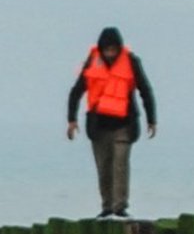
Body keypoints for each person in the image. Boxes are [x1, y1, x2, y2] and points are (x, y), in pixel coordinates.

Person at [66, 26, 157, 218]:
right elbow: (76, 91)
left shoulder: (131, 62)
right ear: (101, 49)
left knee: (120, 165)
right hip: (98, 127)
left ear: (119, 48)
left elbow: (145, 90)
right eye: (107, 50)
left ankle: (120, 207)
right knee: (104, 168)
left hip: (124, 126)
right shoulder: (92, 62)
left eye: (114, 50)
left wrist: (152, 119)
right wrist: (71, 119)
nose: (110, 53)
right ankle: (107, 207)